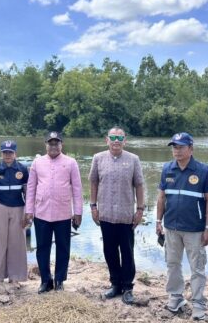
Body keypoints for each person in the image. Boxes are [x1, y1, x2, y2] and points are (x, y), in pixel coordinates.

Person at [156, 132, 208, 319]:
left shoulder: (203, 171)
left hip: (195, 229)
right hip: (171, 227)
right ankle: (175, 297)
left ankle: (198, 304)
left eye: (181, 147)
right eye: (174, 147)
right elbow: (161, 197)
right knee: (172, 264)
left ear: (191, 149)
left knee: (197, 268)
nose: (177, 150)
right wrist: (158, 221)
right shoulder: (167, 169)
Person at [89, 126, 145, 305]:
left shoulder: (133, 159)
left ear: (124, 141)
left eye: (119, 138)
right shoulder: (98, 158)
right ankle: (115, 284)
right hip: (105, 214)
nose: (116, 141)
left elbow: (139, 185)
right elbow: (93, 183)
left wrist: (140, 209)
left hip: (126, 215)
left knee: (127, 252)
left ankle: (127, 287)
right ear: (107, 140)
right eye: (112, 137)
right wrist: (93, 206)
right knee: (109, 251)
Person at [25, 131, 83, 293]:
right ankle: (45, 280)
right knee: (42, 248)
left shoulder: (71, 163)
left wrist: (78, 212)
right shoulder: (37, 162)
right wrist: (29, 210)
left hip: (63, 213)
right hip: (41, 212)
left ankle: (59, 280)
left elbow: (77, 189)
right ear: (46, 145)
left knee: (63, 247)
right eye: (50, 143)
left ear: (61, 145)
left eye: (56, 143)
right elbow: (31, 187)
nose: (53, 146)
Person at [0, 140, 30, 286]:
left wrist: (27, 213)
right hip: (0, 206)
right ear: (1, 153)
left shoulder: (22, 169)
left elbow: (27, 192)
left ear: (15, 153)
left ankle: (15, 276)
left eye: (10, 152)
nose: (7, 155)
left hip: (18, 207)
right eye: (5, 152)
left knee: (17, 242)